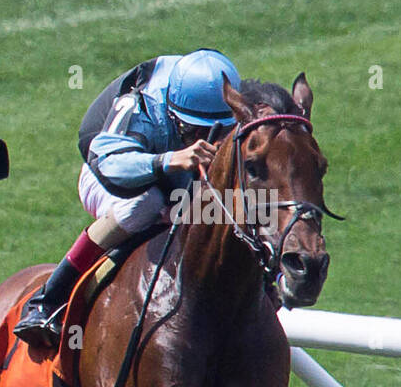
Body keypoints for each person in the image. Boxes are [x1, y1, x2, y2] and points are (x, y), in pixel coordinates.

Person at [13, 48, 241, 347]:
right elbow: (108, 164)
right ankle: (49, 299)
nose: (209, 140)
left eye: (221, 131)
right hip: (109, 177)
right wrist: (169, 160)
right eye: (196, 130)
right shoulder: (143, 102)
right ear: (173, 115)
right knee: (144, 204)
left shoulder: (229, 99)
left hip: (173, 177)